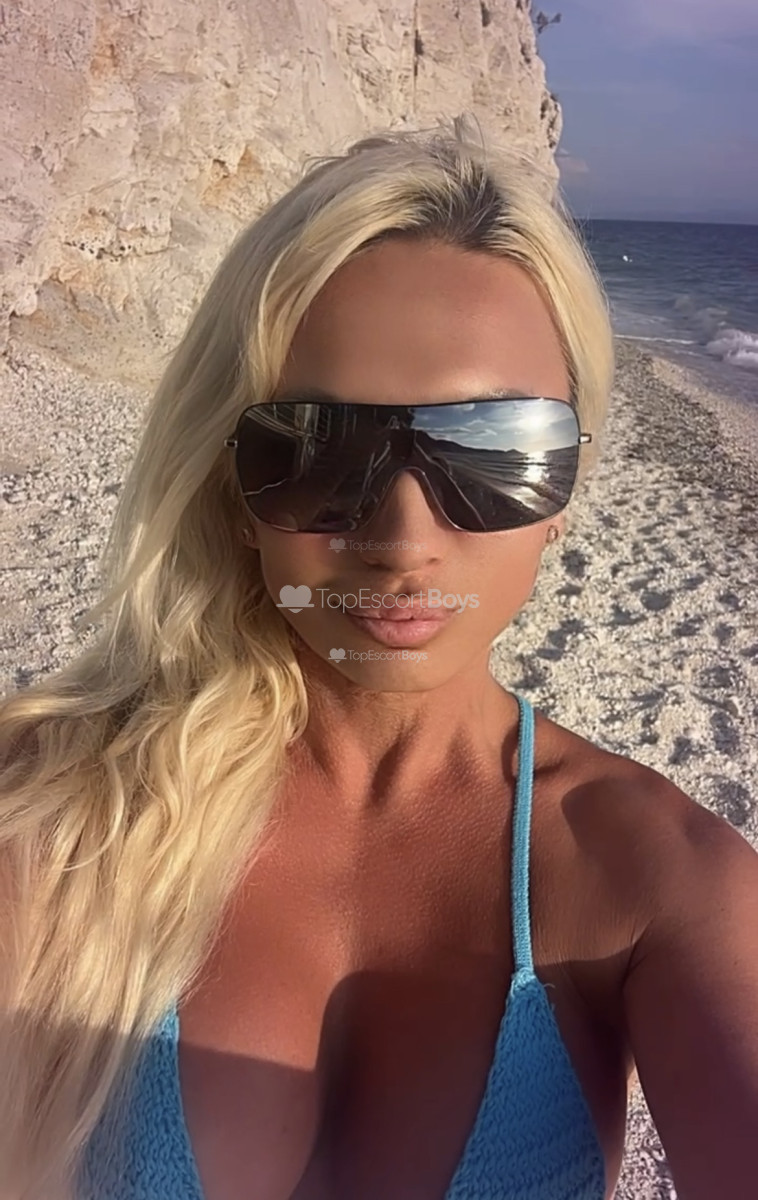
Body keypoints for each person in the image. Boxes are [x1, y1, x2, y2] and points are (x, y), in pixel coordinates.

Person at [1, 119, 757, 1200]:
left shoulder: (662, 881)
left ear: (564, 491)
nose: (402, 542)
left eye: (496, 452)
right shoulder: (62, 819)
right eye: (319, 450)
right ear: (233, 484)